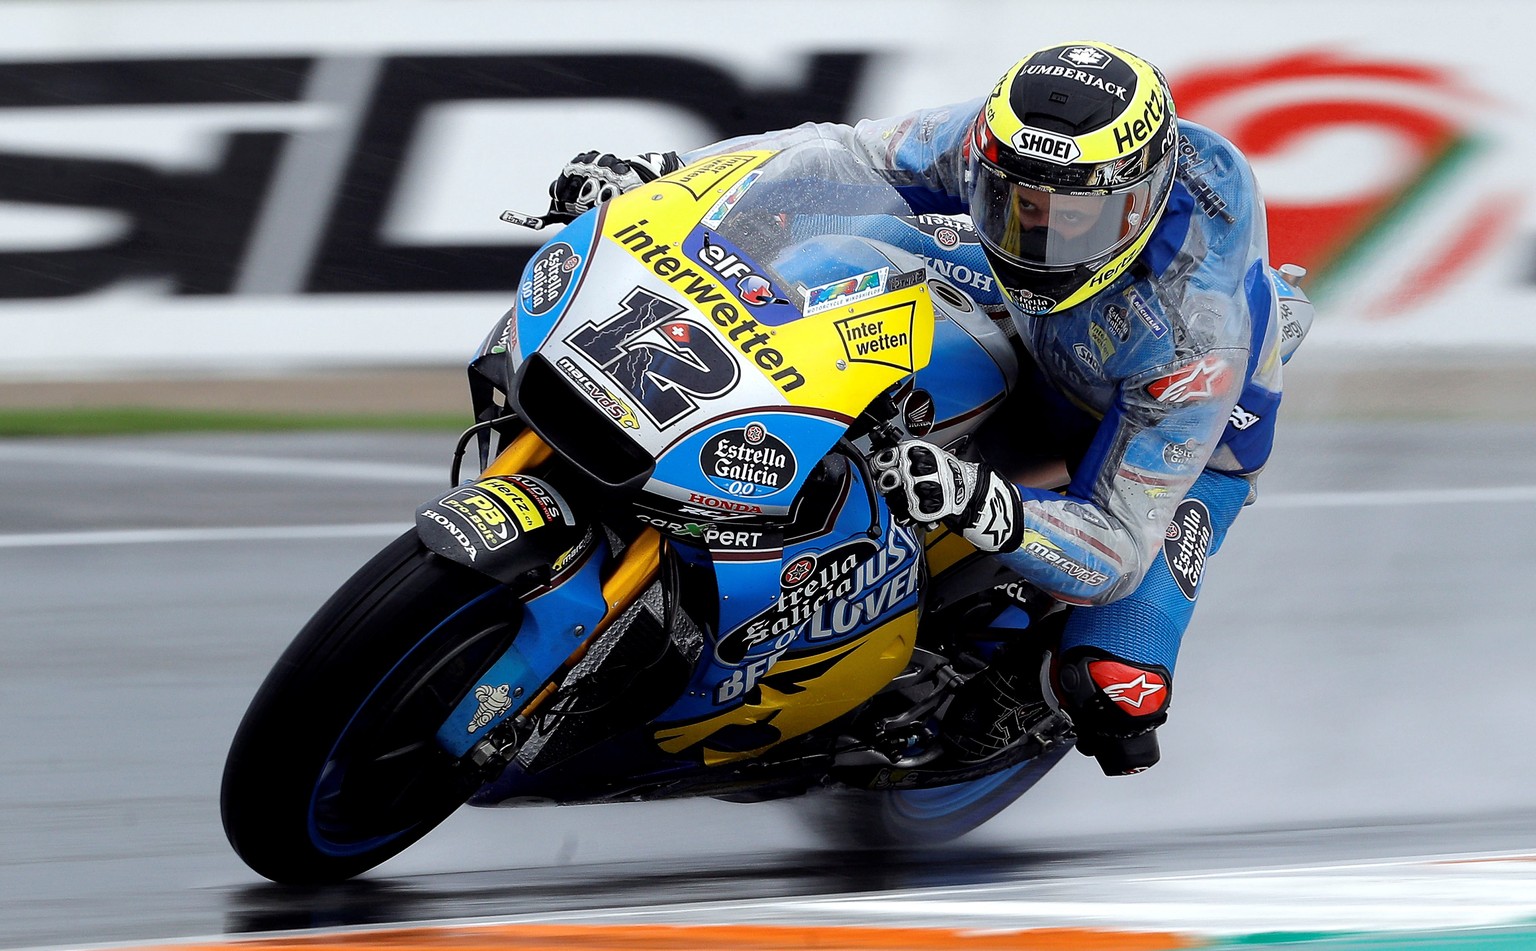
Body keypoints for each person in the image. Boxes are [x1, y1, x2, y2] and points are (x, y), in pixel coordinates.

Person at [545, 40, 1306, 776]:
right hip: (1039, 326)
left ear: (1139, 206)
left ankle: (1016, 698)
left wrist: (985, 503)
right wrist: (674, 182)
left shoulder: (1192, 337)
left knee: (1115, 686)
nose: (1036, 237)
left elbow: (1119, 548)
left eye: (1072, 219)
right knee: (844, 237)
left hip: (1176, 423)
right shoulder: (1003, 139)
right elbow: (844, 155)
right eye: (1016, 207)